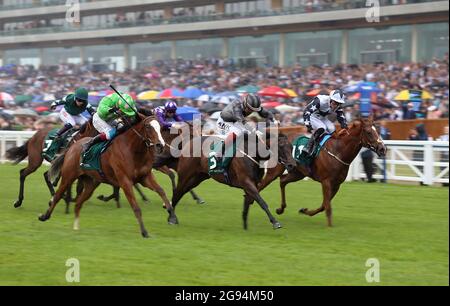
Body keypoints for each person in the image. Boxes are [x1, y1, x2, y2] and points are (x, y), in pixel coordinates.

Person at [213, 93, 274, 178]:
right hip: (223, 122)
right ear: (245, 104)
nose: (251, 111)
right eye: (250, 109)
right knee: (238, 132)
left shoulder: (252, 106)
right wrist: (253, 130)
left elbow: (267, 114)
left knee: (249, 136)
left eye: (253, 110)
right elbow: (242, 121)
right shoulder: (237, 106)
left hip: (235, 122)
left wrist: (272, 120)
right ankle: (219, 153)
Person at [302, 89, 348, 157]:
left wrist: (344, 125)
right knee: (322, 128)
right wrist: (308, 124)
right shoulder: (320, 100)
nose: (336, 106)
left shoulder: (337, 106)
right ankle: (308, 146)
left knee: (332, 128)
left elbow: (341, 115)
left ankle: (327, 147)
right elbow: (307, 111)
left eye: (339, 103)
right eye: (335, 103)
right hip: (312, 116)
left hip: (322, 117)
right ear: (330, 99)